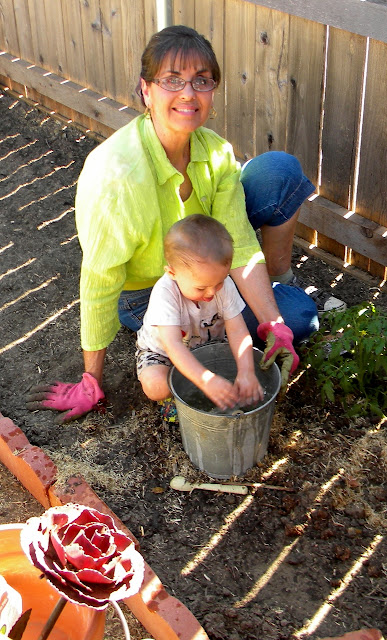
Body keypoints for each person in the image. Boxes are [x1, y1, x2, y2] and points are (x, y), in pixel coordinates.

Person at [26, 24, 344, 425]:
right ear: (146, 89)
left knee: (278, 172)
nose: (189, 93)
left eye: (201, 80)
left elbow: (239, 243)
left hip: (207, 263)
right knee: (300, 314)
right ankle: (258, 308)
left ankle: (278, 284)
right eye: (172, 80)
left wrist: (272, 324)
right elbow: (100, 279)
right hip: (148, 291)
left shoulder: (215, 151)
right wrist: (92, 378)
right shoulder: (117, 175)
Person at [137, 214, 264, 419]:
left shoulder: (223, 285)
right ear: (172, 273)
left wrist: (246, 371)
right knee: (156, 385)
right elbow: (173, 346)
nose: (211, 292)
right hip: (165, 354)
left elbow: (238, 331)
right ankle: (173, 397)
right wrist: (206, 380)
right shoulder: (165, 293)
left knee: (240, 363)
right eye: (201, 287)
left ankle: (209, 380)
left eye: (219, 282)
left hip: (209, 345)